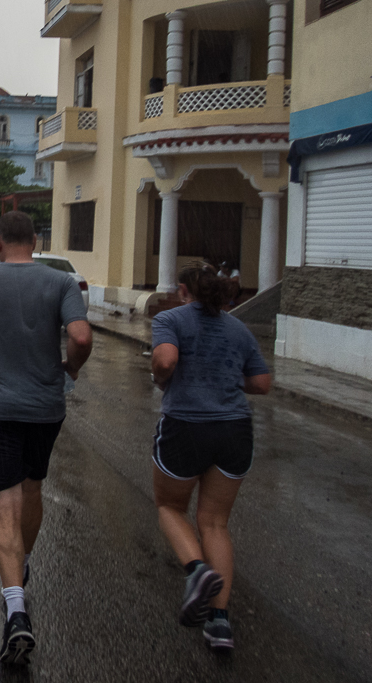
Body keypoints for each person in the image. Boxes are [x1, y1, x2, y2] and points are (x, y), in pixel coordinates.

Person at [0, 211, 92, 666]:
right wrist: (72, 366)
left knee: (4, 505)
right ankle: (21, 565)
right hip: (46, 410)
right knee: (33, 489)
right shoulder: (61, 284)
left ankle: (15, 610)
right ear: (35, 240)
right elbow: (81, 336)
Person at [150, 265, 271, 654]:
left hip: (187, 425)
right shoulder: (238, 329)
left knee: (170, 507)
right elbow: (262, 383)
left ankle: (197, 571)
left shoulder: (170, 318)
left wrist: (160, 377)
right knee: (215, 523)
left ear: (184, 291)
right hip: (235, 429)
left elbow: (166, 361)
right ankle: (220, 623)